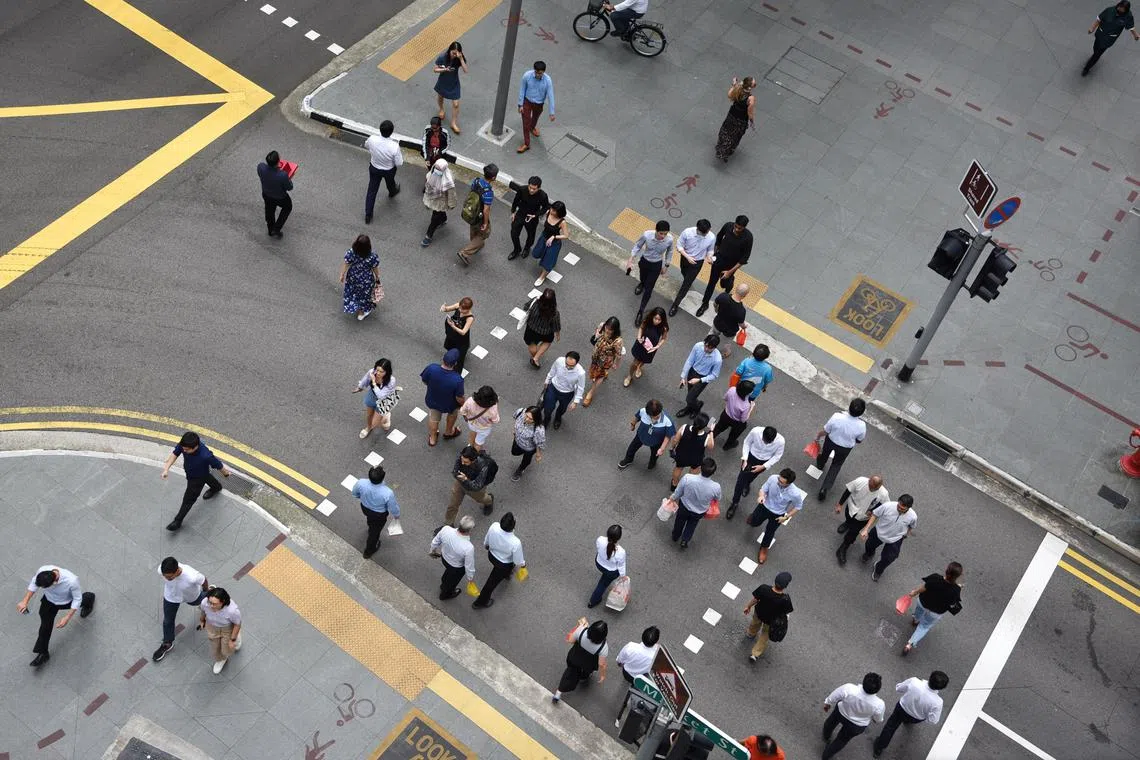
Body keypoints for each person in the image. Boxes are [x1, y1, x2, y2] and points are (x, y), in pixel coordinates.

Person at [18, 565, 94, 668]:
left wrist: (67, 617)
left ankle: (89, 598)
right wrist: (25, 601)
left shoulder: (72, 581)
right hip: (49, 601)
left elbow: (77, 599)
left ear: (54, 583)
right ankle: (43, 653)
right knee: (45, 626)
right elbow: (34, 583)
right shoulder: (43, 570)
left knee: (82, 600)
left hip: (66, 601)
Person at [160, 432, 232, 531]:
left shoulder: (206, 455)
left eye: (186, 450)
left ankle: (177, 521)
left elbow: (218, 465)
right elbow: (175, 454)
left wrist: (226, 474)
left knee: (188, 499)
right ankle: (216, 487)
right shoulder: (185, 445)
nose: (184, 451)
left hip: (197, 479)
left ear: (195, 447)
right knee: (207, 476)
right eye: (183, 448)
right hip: (194, 472)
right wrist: (166, 469)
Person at [872, 671, 948, 757]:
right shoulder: (938, 702)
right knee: (907, 721)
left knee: (890, 727)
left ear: (930, 677)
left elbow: (899, 688)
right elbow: (933, 720)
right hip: (916, 718)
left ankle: (879, 748)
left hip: (901, 709)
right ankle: (907, 722)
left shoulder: (914, 681)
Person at [153, 556, 209, 662]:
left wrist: (206, 591)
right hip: (171, 597)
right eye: (165, 577)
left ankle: (209, 594)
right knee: (168, 621)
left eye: (169, 577)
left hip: (191, 596)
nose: (167, 578)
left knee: (203, 600)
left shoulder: (192, 576)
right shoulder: (161, 569)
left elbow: (203, 580)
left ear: (177, 570)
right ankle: (167, 643)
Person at [813, 398, 867, 501]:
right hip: (845, 448)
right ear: (862, 412)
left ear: (849, 407)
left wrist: (818, 437)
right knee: (836, 465)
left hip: (831, 441)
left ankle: (820, 464)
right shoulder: (862, 426)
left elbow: (826, 430)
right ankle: (824, 488)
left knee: (824, 453)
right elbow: (859, 440)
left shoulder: (837, 416)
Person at [902, 563, 963, 655]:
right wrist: (958, 587)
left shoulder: (935, 578)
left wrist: (914, 593)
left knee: (918, 612)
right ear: (958, 576)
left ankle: (915, 620)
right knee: (924, 626)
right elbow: (952, 603)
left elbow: (923, 588)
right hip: (936, 612)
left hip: (923, 603)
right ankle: (909, 644)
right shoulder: (956, 590)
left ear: (946, 570)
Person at [821, 673, 886, 760]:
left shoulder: (849, 688)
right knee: (841, 740)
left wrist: (827, 703)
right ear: (877, 690)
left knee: (830, 723)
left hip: (841, 712)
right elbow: (878, 719)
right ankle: (826, 756)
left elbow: (834, 695)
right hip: (856, 726)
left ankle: (826, 736)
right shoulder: (879, 704)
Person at [748, 468, 805, 564]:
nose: (778, 482)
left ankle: (764, 548)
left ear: (789, 483)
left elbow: (798, 506)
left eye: (781, 482)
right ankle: (753, 518)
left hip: (778, 514)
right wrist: (761, 496)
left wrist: (786, 517)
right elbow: (763, 489)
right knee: (754, 522)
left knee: (770, 532)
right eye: (779, 479)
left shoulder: (795, 493)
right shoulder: (773, 478)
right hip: (764, 506)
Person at [698, 216, 752, 316]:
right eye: (736, 226)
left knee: (724, 283)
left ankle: (729, 284)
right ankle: (704, 304)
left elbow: (744, 258)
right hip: (719, 259)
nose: (736, 229)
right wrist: (714, 254)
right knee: (711, 282)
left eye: (739, 228)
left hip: (731, 265)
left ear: (744, 227)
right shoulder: (728, 226)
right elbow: (718, 238)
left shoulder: (748, 237)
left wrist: (730, 272)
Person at [727, 424, 784, 519]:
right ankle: (735, 503)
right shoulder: (756, 431)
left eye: (769, 443)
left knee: (753, 476)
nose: (766, 444)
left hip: (764, 462)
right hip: (750, 458)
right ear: (762, 435)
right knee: (740, 481)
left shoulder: (781, 441)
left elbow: (777, 456)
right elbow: (747, 443)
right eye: (765, 441)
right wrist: (745, 459)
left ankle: (747, 483)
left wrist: (763, 466)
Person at [833, 474, 889, 566]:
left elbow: (884, 505)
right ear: (869, 480)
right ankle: (847, 524)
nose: (871, 489)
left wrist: (872, 510)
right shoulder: (860, 481)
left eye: (874, 488)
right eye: (870, 486)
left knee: (853, 532)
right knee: (848, 519)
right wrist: (840, 504)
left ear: (879, 486)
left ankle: (843, 548)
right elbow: (848, 490)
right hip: (851, 507)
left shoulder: (883, 493)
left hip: (863, 517)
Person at [473, 512, 525, 608]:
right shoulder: (515, 542)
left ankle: (506, 574)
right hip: (503, 564)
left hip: (492, 556)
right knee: (491, 583)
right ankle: (480, 602)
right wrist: (523, 565)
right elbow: (518, 560)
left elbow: (486, 540)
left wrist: (486, 545)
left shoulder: (494, 526)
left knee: (501, 573)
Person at [859, 495, 917, 582]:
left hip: (896, 538)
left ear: (909, 507)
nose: (899, 509)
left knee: (889, 558)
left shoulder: (913, 516)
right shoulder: (888, 506)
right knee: (869, 545)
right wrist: (866, 529)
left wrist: (906, 534)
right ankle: (869, 553)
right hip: (879, 532)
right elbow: (875, 514)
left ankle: (878, 569)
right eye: (899, 506)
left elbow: (911, 526)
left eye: (902, 508)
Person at [669, 457, 721, 549]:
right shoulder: (716, 487)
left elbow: (679, 491)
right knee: (692, 524)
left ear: (700, 468)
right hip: (699, 511)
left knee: (679, 521)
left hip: (684, 506)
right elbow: (717, 498)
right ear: (713, 472)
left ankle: (675, 536)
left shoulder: (688, 478)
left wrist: (672, 498)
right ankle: (685, 540)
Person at [628, 220, 674, 323]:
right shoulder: (647, 235)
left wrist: (666, 265)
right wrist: (631, 259)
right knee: (643, 278)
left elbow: (670, 251)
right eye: (661, 233)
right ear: (656, 231)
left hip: (656, 265)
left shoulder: (670, 240)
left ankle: (641, 311)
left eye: (665, 234)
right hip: (644, 261)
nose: (663, 236)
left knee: (649, 288)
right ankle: (642, 283)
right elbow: (638, 245)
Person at [614, 626, 660, 726]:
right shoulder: (656, 656)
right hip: (641, 679)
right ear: (656, 641)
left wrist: (620, 664)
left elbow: (620, 660)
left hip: (627, 673)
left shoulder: (631, 647)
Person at [552, 619, 607, 702]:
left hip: (574, 657)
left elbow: (570, 640)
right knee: (585, 673)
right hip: (588, 664)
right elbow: (601, 664)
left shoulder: (581, 631)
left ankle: (558, 693)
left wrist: (579, 626)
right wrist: (602, 675)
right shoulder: (603, 647)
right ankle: (583, 677)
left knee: (570, 673)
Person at [669, 219, 716, 316]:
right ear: (697, 229)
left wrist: (710, 256)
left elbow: (710, 250)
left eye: (706, 233)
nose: (704, 235)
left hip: (697, 262)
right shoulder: (687, 232)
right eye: (702, 233)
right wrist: (687, 257)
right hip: (685, 258)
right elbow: (679, 245)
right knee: (684, 272)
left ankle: (675, 304)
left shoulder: (711, 237)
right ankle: (687, 281)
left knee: (686, 284)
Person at [742, 571, 792, 662]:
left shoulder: (764, 588)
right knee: (765, 635)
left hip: (759, 613)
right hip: (771, 621)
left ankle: (751, 633)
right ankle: (755, 654)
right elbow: (786, 612)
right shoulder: (785, 599)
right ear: (785, 586)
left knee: (754, 624)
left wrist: (748, 606)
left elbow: (755, 599)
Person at [353, 465, 400, 559]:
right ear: (383, 478)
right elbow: (393, 507)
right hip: (379, 515)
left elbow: (355, 494)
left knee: (370, 521)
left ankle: (370, 528)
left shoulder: (361, 483)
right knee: (375, 533)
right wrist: (396, 516)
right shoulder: (387, 493)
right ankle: (368, 551)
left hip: (365, 508)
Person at [420, 349, 466, 446]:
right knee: (452, 415)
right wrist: (463, 404)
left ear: (443, 359)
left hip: (433, 400)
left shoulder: (431, 368)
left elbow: (424, 381)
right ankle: (449, 432)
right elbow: (459, 397)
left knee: (434, 418)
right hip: (450, 404)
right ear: (455, 363)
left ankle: (432, 438)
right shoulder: (457, 379)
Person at [445, 445, 496, 526]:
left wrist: (465, 480)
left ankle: (489, 500)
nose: (462, 463)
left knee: (481, 499)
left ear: (473, 460)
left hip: (473, 488)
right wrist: (460, 477)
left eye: (465, 462)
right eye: (462, 460)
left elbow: (476, 486)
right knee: (453, 505)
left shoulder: (483, 467)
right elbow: (455, 471)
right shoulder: (462, 456)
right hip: (460, 482)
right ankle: (448, 524)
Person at [363, 120, 403, 223]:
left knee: (372, 190)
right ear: (391, 132)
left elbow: (366, 145)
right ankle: (392, 191)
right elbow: (399, 163)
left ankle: (368, 215)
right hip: (388, 170)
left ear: (380, 129)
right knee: (390, 182)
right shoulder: (394, 146)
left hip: (374, 167)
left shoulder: (372, 139)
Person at [618, 400, 675, 471]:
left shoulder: (667, 421)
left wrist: (662, 448)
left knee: (655, 454)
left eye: (657, 416)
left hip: (656, 441)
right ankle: (628, 459)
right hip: (641, 435)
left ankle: (652, 462)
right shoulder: (643, 411)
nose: (654, 418)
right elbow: (637, 417)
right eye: (652, 416)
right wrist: (633, 424)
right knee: (632, 448)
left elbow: (668, 436)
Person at [457, 163, 497, 264]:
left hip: (471, 211)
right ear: (493, 177)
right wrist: (485, 223)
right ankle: (465, 252)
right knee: (484, 234)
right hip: (479, 215)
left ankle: (474, 244)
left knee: (473, 227)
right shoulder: (488, 193)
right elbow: (486, 210)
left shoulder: (477, 180)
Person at [1083, 3, 1138, 76]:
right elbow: (1099, 19)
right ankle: (1094, 56)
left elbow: (1131, 27)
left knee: (1097, 54)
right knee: (1095, 47)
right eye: (1120, 7)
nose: (1120, 9)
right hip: (1100, 34)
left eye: (1122, 8)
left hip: (1109, 39)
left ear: (1126, 10)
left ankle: (1087, 68)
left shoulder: (1128, 16)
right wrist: (1092, 28)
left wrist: (1135, 35)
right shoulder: (1110, 10)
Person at [430, 516, 477, 600]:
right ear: (469, 530)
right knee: (452, 582)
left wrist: (432, 551)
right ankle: (445, 595)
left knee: (447, 574)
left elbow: (435, 542)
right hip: (456, 567)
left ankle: (443, 583)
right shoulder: (468, 547)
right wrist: (470, 579)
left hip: (444, 558)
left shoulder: (446, 529)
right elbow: (469, 566)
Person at [197, 587, 242, 674]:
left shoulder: (232, 611)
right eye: (210, 602)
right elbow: (203, 611)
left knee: (226, 649)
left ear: (223, 601)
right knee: (215, 646)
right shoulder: (205, 603)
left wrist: (232, 640)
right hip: (212, 626)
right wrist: (202, 621)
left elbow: (237, 624)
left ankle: (236, 636)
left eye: (214, 604)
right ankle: (221, 659)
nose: (211, 606)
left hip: (227, 629)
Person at [677, 335, 722, 418]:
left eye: (710, 348)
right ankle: (692, 407)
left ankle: (696, 407)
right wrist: (683, 376)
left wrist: (699, 380)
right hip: (692, 371)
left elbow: (714, 375)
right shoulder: (698, 346)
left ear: (715, 348)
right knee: (690, 393)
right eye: (706, 345)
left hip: (702, 378)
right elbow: (690, 360)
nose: (706, 349)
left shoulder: (717, 359)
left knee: (689, 398)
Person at [353, 358, 399, 439]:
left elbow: (381, 396)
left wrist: (374, 383)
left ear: (387, 372)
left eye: (381, 372)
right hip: (372, 396)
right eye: (377, 370)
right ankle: (368, 428)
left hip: (383, 401)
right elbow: (366, 379)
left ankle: (386, 418)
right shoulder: (372, 372)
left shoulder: (391, 381)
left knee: (378, 423)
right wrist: (360, 387)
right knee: (369, 415)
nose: (378, 373)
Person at [339, 234, 381, 321]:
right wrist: (377, 277)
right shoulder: (372, 255)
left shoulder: (351, 252)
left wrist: (342, 274)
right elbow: (375, 268)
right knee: (364, 296)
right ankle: (361, 312)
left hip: (353, 277)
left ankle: (353, 305)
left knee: (353, 292)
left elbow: (346, 263)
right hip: (366, 280)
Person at [668, 411, 714, 489]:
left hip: (681, 455)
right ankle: (687, 485)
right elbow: (711, 447)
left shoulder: (684, 427)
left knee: (678, 468)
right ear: (705, 426)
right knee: (692, 473)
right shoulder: (707, 437)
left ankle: (674, 484)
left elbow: (675, 440)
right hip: (696, 459)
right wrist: (711, 431)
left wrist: (672, 448)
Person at [624, 307, 669, 388]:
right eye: (655, 318)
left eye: (659, 320)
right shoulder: (647, 320)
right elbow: (641, 328)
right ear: (652, 316)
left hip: (651, 348)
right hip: (641, 344)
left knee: (644, 361)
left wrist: (657, 346)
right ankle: (629, 376)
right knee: (635, 363)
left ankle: (639, 368)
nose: (657, 321)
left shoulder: (663, 328)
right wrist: (638, 337)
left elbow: (664, 338)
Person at [517, 61, 556, 153]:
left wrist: (552, 112)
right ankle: (527, 144)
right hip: (527, 102)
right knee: (526, 123)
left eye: (540, 73)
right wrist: (520, 104)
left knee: (535, 118)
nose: (538, 75)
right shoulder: (527, 76)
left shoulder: (547, 80)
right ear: (534, 70)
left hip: (539, 104)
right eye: (537, 72)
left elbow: (551, 96)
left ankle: (532, 127)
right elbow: (522, 89)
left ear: (543, 72)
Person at [584, 317, 623, 406]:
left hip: (605, 361)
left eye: (610, 329)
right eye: (607, 327)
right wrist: (597, 333)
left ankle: (591, 392)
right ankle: (604, 374)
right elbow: (597, 332)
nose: (607, 330)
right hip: (596, 354)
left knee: (599, 376)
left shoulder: (618, 341)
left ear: (615, 330)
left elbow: (618, 354)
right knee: (594, 369)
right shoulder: (602, 325)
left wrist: (616, 364)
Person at [508, 176, 550, 260]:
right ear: (528, 185)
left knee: (531, 235)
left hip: (532, 217)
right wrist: (513, 212)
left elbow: (546, 207)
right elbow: (516, 200)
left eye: (534, 189)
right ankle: (517, 249)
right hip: (520, 214)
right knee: (514, 233)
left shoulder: (543, 195)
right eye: (530, 187)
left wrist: (536, 215)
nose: (531, 190)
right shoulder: (522, 189)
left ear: (539, 188)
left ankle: (527, 248)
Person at [716, 76, 757, 162]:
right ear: (750, 87)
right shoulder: (750, 98)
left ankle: (721, 147)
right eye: (754, 84)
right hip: (741, 119)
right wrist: (752, 121)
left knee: (727, 130)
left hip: (732, 115)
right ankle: (728, 150)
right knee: (736, 135)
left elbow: (729, 95)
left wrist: (734, 84)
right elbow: (750, 112)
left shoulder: (738, 89)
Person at [542, 351, 586, 429]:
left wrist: (575, 402)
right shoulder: (559, 361)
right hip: (553, 388)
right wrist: (547, 380)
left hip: (567, 393)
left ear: (577, 363)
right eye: (567, 364)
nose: (568, 367)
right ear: (565, 359)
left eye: (571, 366)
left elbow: (580, 387)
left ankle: (558, 418)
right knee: (548, 407)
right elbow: (553, 370)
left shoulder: (580, 373)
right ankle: (546, 419)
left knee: (562, 409)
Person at [587, 525, 627, 608]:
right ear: (619, 538)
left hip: (599, 563)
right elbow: (621, 565)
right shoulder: (621, 552)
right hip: (611, 571)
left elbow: (598, 548)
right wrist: (623, 576)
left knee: (604, 578)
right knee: (602, 585)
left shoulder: (600, 539)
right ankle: (593, 601)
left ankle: (593, 602)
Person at [421, 158, 457, 247]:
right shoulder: (432, 173)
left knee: (434, 218)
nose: (437, 171)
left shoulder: (449, 179)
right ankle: (443, 219)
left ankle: (428, 236)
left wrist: (451, 204)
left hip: (441, 202)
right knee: (439, 213)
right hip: (434, 200)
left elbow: (451, 194)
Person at [531, 200, 569, 287]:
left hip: (554, 243)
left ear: (559, 212)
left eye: (554, 211)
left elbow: (566, 235)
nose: (552, 211)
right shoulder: (548, 212)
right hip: (543, 238)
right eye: (552, 208)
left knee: (547, 262)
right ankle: (548, 262)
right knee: (536, 253)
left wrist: (554, 237)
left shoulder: (562, 222)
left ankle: (542, 277)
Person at [433, 41, 467, 132]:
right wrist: (444, 69)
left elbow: (466, 70)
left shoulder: (459, 59)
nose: (454, 55)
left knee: (456, 104)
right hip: (443, 81)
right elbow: (435, 69)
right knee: (440, 96)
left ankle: (453, 123)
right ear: (449, 51)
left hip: (454, 83)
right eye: (453, 53)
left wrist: (461, 59)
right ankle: (441, 109)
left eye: (456, 53)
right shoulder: (443, 57)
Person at [257, 150, 292, 238]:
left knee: (269, 210)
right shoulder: (283, 175)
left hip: (266, 194)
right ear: (278, 162)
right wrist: (289, 178)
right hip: (280, 197)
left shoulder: (260, 167)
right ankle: (276, 228)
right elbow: (290, 187)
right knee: (288, 207)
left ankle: (270, 229)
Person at [523, 287, 561, 368]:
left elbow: (526, 307)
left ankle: (534, 356)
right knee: (547, 342)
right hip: (545, 332)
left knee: (531, 344)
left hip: (531, 328)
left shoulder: (535, 302)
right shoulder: (554, 313)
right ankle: (536, 358)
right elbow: (556, 325)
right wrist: (557, 334)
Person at [712, 380, 755, 450]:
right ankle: (727, 446)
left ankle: (708, 438)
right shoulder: (746, 405)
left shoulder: (732, 390)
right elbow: (743, 419)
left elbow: (725, 398)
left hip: (725, 415)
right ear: (747, 393)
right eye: (751, 391)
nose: (752, 392)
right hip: (737, 423)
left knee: (718, 428)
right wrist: (751, 408)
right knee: (733, 435)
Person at [712, 282, 749, 357]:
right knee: (727, 342)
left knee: (712, 334)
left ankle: (709, 344)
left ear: (735, 289)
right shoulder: (741, 311)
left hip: (718, 323)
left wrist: (717, 310)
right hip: (730, 330)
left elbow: (715, 304)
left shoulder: (723, 296)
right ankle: (726, 352)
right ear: (744, 296)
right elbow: (741, 324)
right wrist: (744, 327)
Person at [510, 405, 546, 481]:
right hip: (517, 440)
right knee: (514, 452)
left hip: (528, 448)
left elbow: (539, 443)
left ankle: (521, 469)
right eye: (526, 415)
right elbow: (515, 419)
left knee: (526, 460)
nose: (526, 419)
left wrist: (538, 454)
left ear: (536, 419)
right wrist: (514, 430)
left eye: (530, 419)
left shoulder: (539, 429)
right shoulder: (520, 412)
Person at [460, 385, 500, 451]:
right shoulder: (492, 408)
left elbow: (462, 411)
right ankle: (474, 456)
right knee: (478, 443)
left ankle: (470, 447)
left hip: (472, 423)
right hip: (484, 428)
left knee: (472, 433)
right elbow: (495, 420)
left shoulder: (470, 401)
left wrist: (466, 417)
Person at [441, 296, 475, 372]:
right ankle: (450, 358)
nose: (460, 310)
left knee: (460, 358)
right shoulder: (458, 305)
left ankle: (456, 372)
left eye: (463, 310)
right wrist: (444, 308)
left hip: (460, 338)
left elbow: (463, 332)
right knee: (450, 346)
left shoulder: (470, 318)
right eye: (460, 308)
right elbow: (447, 309)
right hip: (452, 333)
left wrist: (453, 326)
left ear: (469, 309)